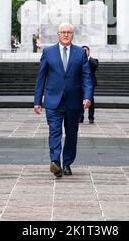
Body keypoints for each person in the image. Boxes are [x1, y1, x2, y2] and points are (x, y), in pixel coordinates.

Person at [34, 22, 92, 177]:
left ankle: (67, 163)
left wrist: (87, 96)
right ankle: (55, 162)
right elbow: (41, 77)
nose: (66, 35)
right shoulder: (48, 52)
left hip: (74, 101)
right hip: (53, 100)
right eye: (63, 32)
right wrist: (37, 100)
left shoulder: (80, 53)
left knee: (72, 134)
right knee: (55, 131)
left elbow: (86, 77)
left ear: (73, 35)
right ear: (58, 34)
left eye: (69, 32)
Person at [79, 46, 98, 124]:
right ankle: (80, 116)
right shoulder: (79, 60)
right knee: (80, 100)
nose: (84, 52)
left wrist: (87, 58)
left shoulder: (93, 60)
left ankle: (91, 117)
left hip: (91, 83)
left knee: (91, 100)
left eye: (85, 51)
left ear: (89, 51)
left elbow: (95, 65)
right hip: (81, 83)